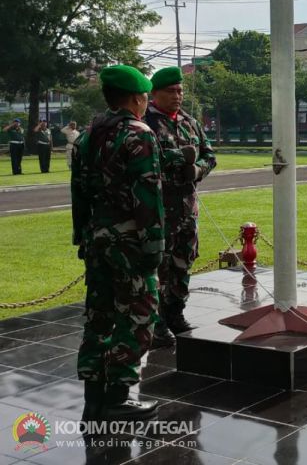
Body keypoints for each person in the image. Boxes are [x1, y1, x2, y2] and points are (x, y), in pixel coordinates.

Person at [71, 64, 163, 422]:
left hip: (97, 239)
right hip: (129, 242)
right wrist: (153, 247)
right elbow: (148, 197)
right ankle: (118, 397)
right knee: (138, 315)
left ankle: (93, 397)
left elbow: (78, 193)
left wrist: (81, 235)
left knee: (99, 316)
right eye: (144, 96)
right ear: (138, 98)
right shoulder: (138, 135)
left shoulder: (87, 136)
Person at [143, 66, 217, 347]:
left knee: (183, 263)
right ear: (156, 93)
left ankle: (176, 314)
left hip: (187, 209)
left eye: (180, 90)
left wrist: (196, 170)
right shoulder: (145, 122)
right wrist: (173, 161)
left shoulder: (189, 121)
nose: (178, 96)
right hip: (158, 211)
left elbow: (210, 155)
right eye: (171, 91)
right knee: (159, 267)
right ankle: (157, 323)